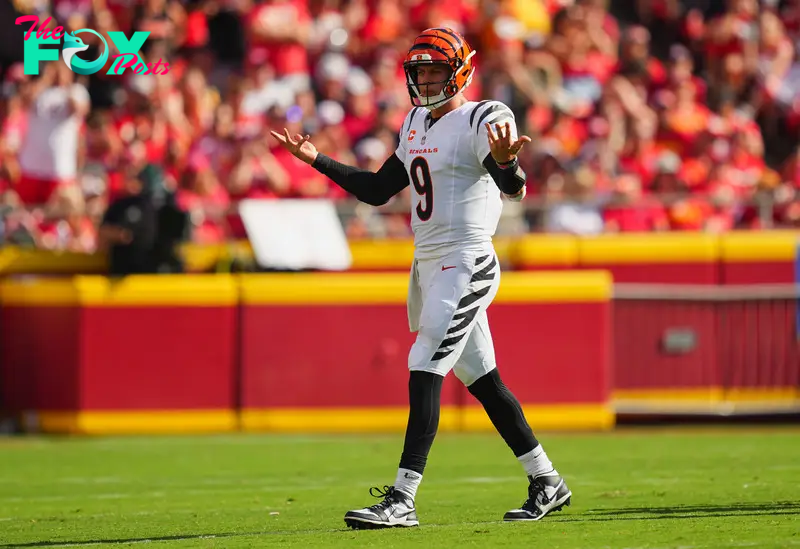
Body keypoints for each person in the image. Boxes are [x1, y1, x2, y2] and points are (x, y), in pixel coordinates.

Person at [271, 27, 571, 529]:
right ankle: (547, 480)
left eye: (435, 70)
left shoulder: (484, 116)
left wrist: (508, 163)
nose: (426, 80)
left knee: (424, 361)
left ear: (460, 72)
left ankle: (402, 499)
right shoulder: (414, 121)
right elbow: (377, 190)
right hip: (430, 265)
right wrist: (316, 160)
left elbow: (512, 188)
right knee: (483, 379)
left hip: (467, 259)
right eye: (420, 71)